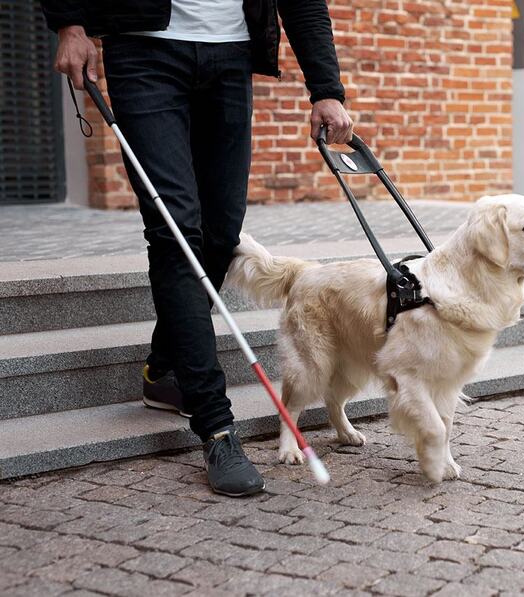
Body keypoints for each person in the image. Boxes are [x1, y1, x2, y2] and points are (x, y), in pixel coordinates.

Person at [41, 0, 354, 497]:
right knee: (174, 232)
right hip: (144, 51)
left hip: (230, 55)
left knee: (221, 236)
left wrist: (327, 89)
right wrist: (70, 21)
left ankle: (165, 368)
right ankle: (216, 427)